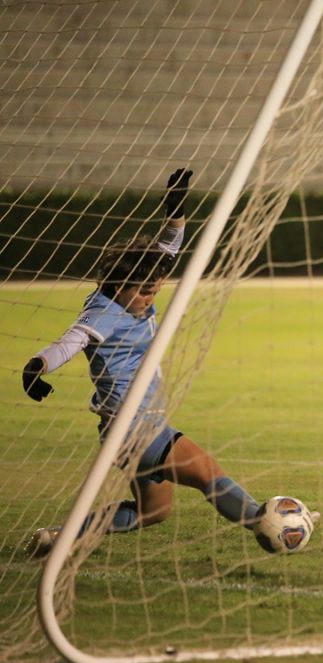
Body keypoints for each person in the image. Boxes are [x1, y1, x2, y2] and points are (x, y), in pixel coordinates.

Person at [21, 169, 283, 556]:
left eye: (155, 290)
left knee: (152, 513)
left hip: (129, 428)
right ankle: (267, 524)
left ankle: (59, 538)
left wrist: (175, 211)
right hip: (135, 427)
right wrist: (36, 367)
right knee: (207, 471)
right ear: (117, 284)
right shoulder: (103, 313)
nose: (150, 298)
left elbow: (169, 246)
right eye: (143, 292)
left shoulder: (130, 291)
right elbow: (69, 342)